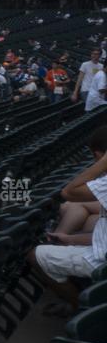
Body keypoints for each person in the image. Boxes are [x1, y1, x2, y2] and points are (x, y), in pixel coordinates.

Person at [28, 126, 107, 313]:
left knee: (34, 255)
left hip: (103, 262)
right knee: (80, 229)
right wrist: (70, 239)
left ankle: (80, 309)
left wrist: (103, 163)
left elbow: (68, 192)